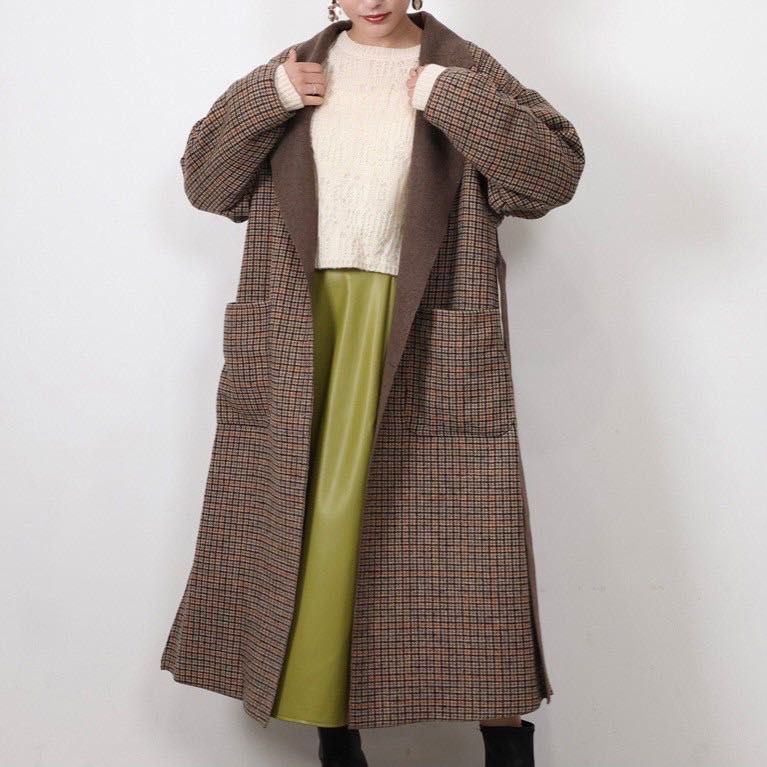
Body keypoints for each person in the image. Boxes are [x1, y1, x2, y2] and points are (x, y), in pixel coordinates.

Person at [162, 2, 584, 765]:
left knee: (461, 554)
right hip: (303, 330)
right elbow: (207, 184)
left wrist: (450, 97)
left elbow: (549, 177)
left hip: (419, 326)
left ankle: (504, 744)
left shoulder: (462, 65)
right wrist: (270, 98)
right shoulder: (295, 68)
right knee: (315, 535)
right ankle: (338, 742)